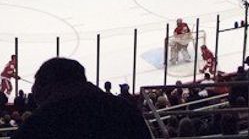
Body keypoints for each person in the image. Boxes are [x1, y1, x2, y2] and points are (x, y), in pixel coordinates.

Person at [12, 57, 150, 139]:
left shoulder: (39, 125)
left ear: (49, 87)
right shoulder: (124, 110)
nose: (33, 91)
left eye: (37, 84)